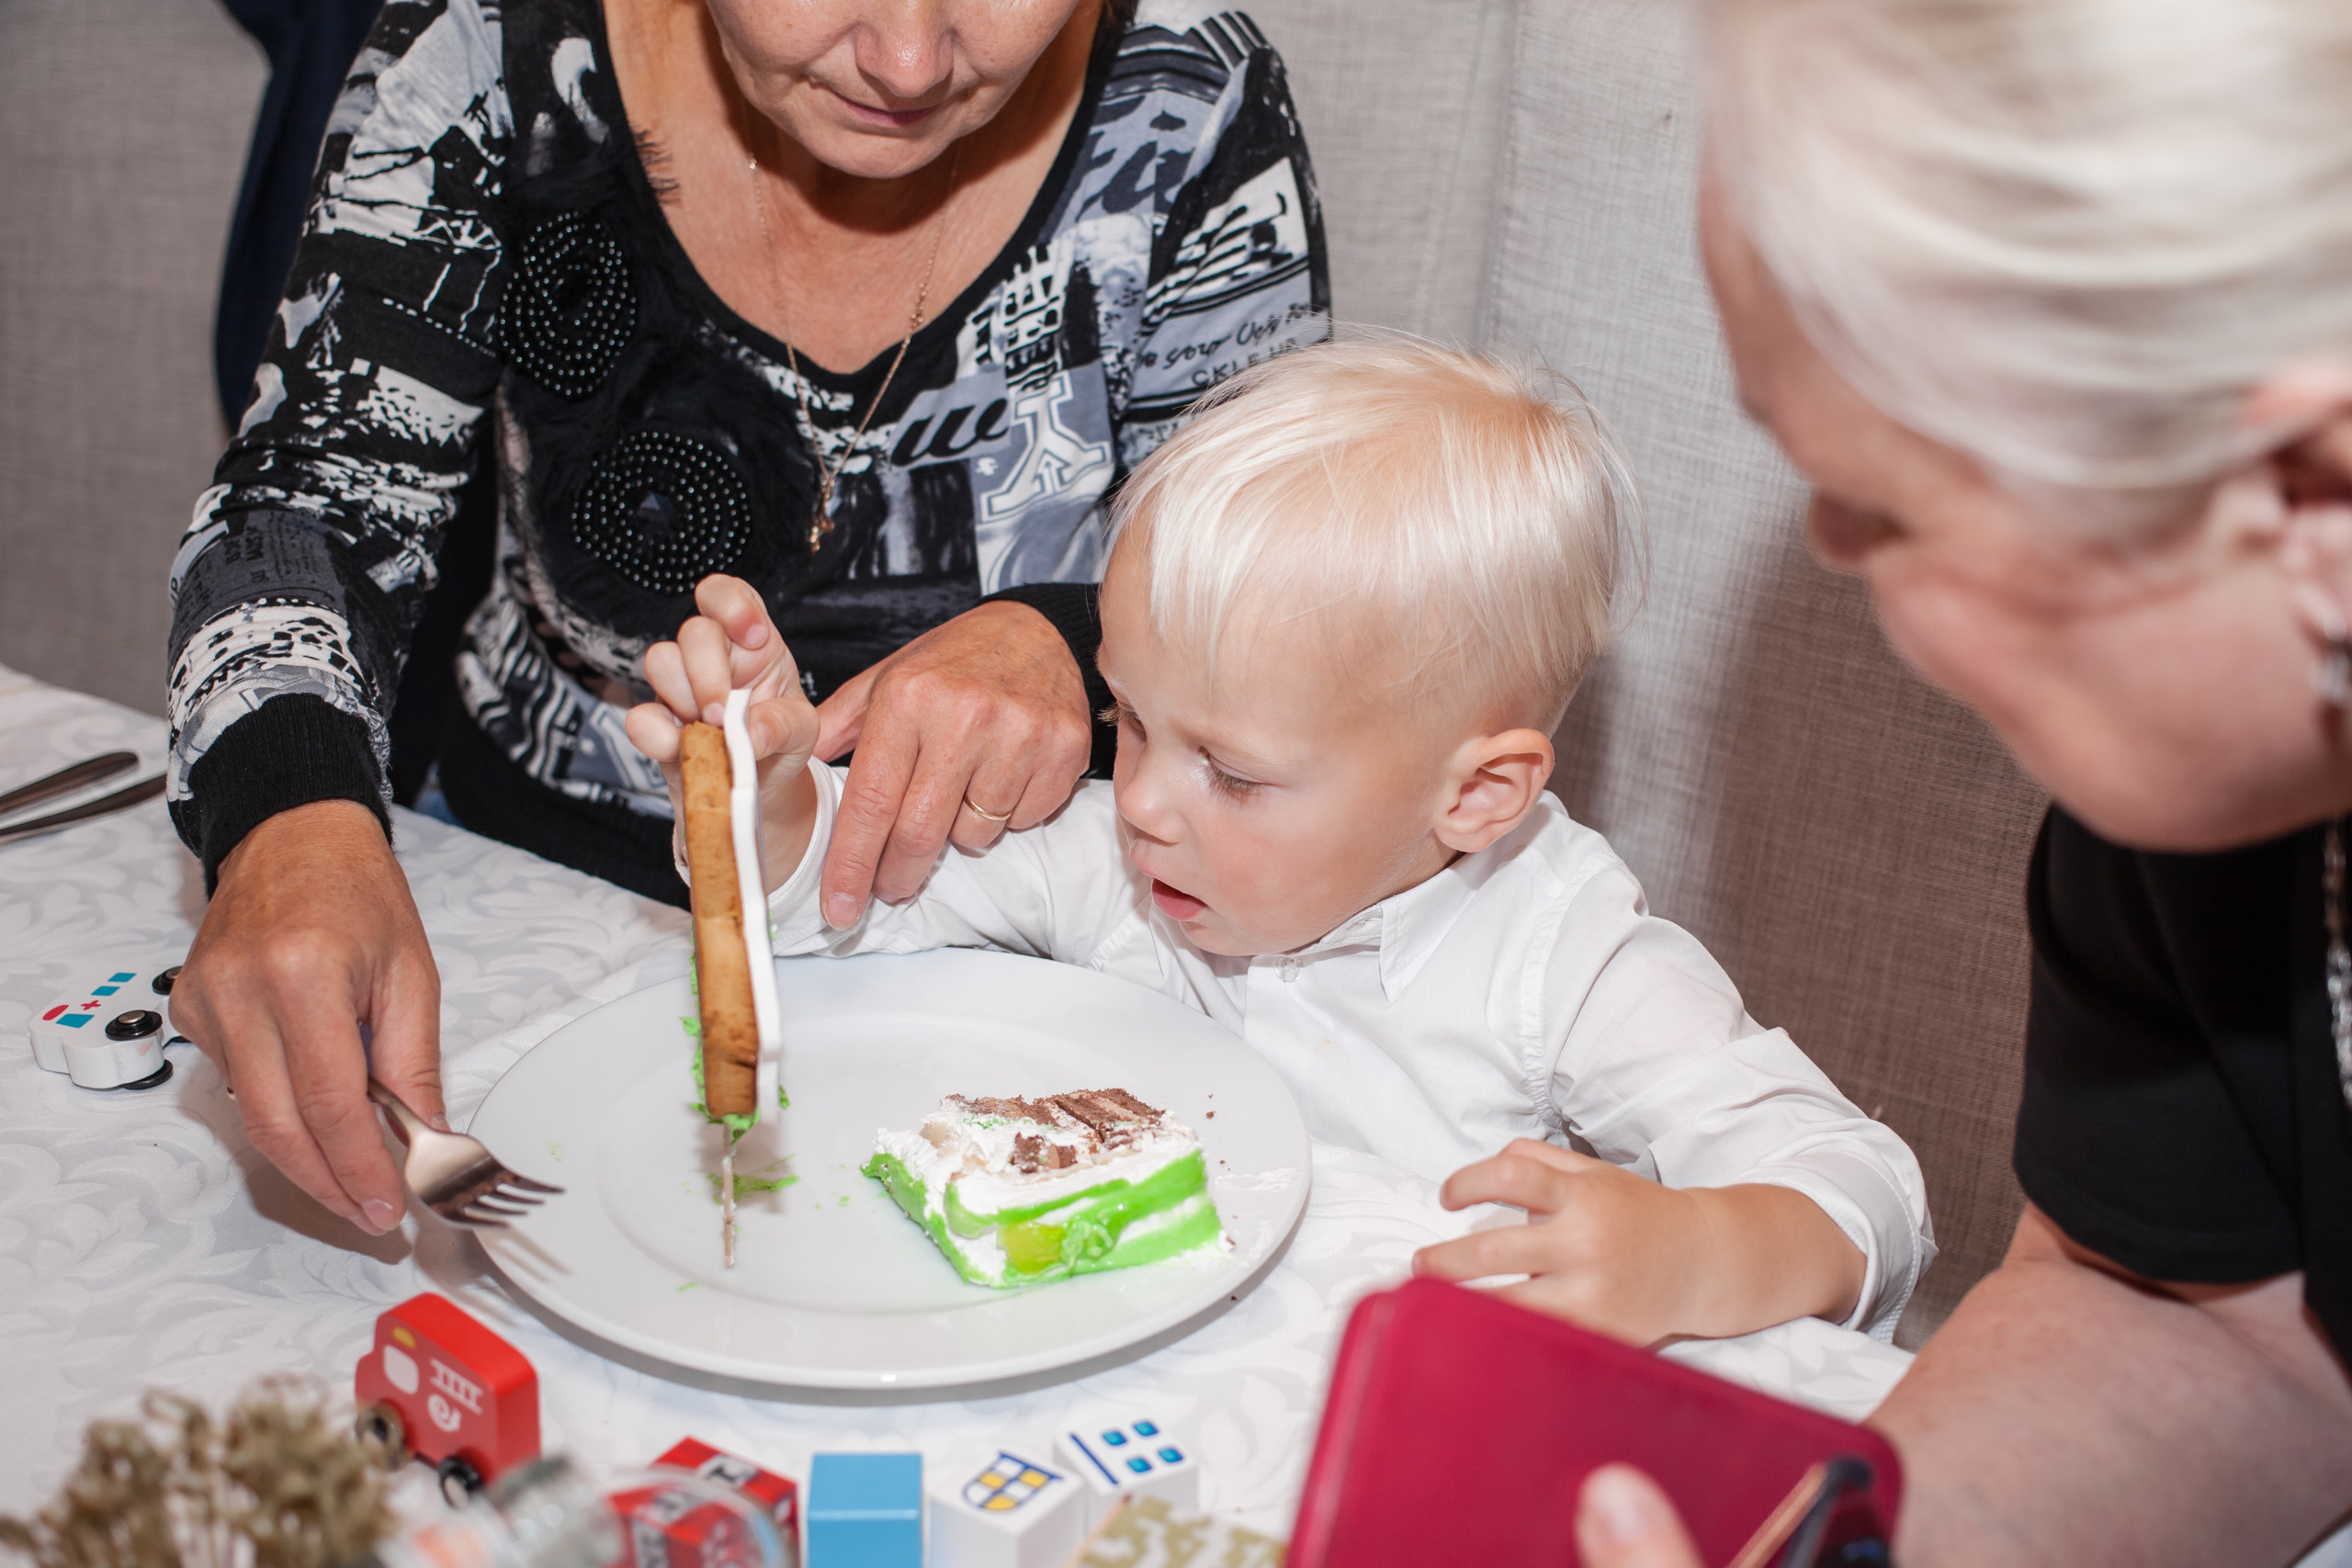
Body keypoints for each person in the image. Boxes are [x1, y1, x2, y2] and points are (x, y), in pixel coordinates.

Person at [162, 0, 1329, 1238]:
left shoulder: (1188, 92)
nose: (909, 62)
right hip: (532, 873)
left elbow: (1278, 593)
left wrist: (1076, 638)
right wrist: (288, 819)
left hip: (1019, 937)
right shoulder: (492, 48)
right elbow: (313, 500)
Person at [626, 337, 1936, 1346]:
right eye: (1128, 721)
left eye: (1233, 772)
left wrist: (1696, 1254)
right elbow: (825, 934)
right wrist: (767, 793)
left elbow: (1862, 1185)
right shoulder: (1122, 862)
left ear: (1474, 799)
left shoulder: (1559, 952)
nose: (1140, 797)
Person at [1582, 0, 2352, 1562]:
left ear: (2312, 500)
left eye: (1877, 500)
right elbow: (2195, 1311)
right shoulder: (2212, 804)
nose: (1830, 551)